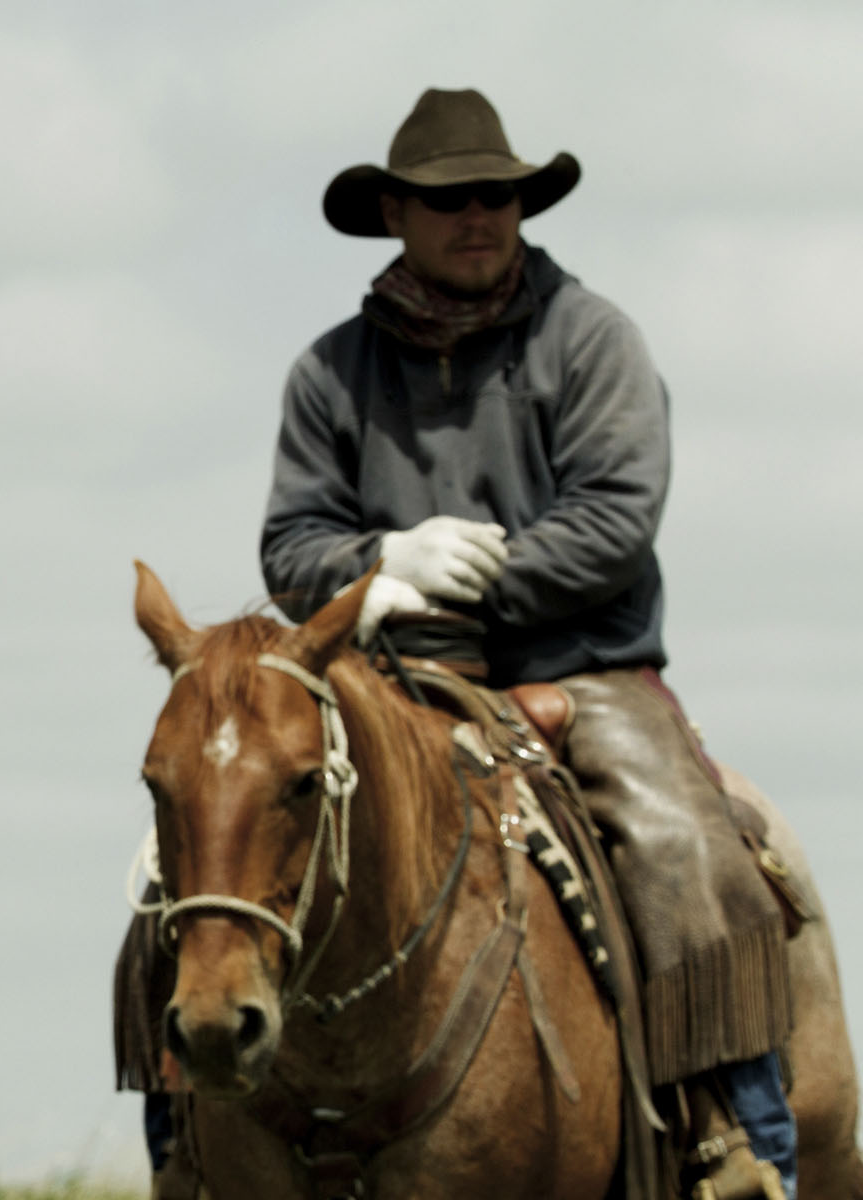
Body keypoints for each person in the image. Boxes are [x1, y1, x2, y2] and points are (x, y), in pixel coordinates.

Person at [258, 88, 797, 1195]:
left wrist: (477, 583)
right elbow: (290, 541)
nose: (479, 217)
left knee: (686, 845)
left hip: (580, 669)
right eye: (450, 199)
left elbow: (613, 519)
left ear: (523, 205)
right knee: (217, 835)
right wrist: (382, 567)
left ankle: (745, 1136)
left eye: (497, 195)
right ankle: (192, 1135)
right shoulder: (330, 372)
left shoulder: (592, 339)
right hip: (390, 678)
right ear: (396, 213)